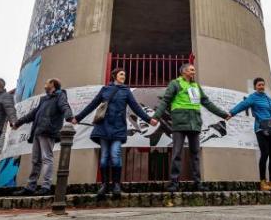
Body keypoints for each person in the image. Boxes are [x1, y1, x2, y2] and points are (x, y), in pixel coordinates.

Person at [73, 68, 158, 197]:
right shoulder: (105, 90)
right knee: (104, 157)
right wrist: (78, 118)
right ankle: (105, 184)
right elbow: (92, 105)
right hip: (103, 127)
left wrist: (148, 119)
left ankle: (116, 184)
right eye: (121, 74)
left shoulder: (126, 91)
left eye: (124, 74)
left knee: (115, 154)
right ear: (114, 76)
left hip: (118, 128)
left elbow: (136, 108)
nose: (124, 76)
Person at [151, 64, 230, 192]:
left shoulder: (195, 86)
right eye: (191, 70)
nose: (194, 72)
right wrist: (156, 116)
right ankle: (174, 183)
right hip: (179, 123)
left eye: (194, 70)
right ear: (184, 71)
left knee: (195, 154)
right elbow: (165, 101)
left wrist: (223, 114)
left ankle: (197, 183)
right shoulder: (175, 83)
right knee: (177, 153)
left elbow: (207, 103)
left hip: (195, 123)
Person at [229, 77, 271, 192]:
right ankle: (262, 181)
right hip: (261, 129)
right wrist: (231, 113)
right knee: (265, 153)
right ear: (255, 86)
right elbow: (242, 105)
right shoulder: (253, 98)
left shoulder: (269, 99)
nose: (261, 87)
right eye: (259, 85)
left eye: (263, 85)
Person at [13, 78, 74, 196]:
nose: (45, 84)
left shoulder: (60, 95)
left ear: (53, 84)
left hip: (48, 130)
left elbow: (64, 106)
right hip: (37, 131)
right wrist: (18, 123)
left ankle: (46, 186)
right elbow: (33, 114)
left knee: (47, 158)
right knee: (36, 160)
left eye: (47, 83)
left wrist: (69, 117)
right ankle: (30, 187)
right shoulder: (44, 99)